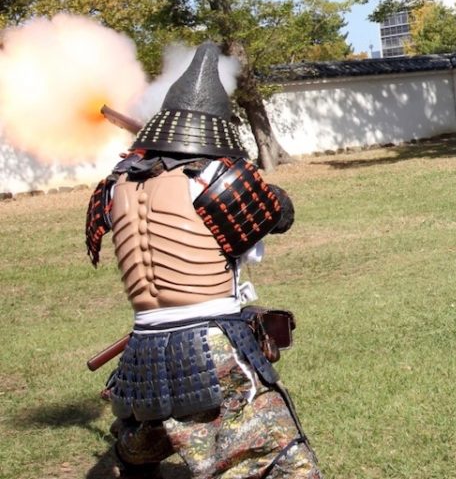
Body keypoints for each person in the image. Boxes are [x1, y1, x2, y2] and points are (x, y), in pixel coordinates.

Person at [85, 43, 320, 478]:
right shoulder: (213, 178)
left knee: (141, 446)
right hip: (210, 343)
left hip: (142, 349)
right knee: (285, 461)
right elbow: (281, 215)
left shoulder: (116, 184)